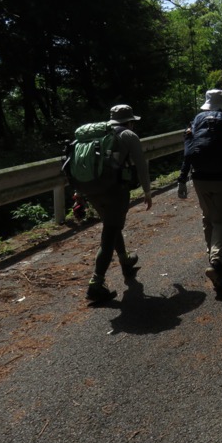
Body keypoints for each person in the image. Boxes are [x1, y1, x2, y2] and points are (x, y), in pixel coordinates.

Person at [177, 89, 222, 292]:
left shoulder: (196, 120)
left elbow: (187, 151)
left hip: (199, 176)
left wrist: (182, 179)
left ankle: (212, 258)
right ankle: (216, 264)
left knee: (208, 218)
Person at [85, 104, 152, 303]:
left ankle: (125, 261)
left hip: (92, 189)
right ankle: (96, 284)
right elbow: (141, 165)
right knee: (109, 233)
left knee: (111, 225)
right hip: (114, 191)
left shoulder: (99, 133)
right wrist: (147, 191)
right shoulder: (128, 136)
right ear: (130, 121)